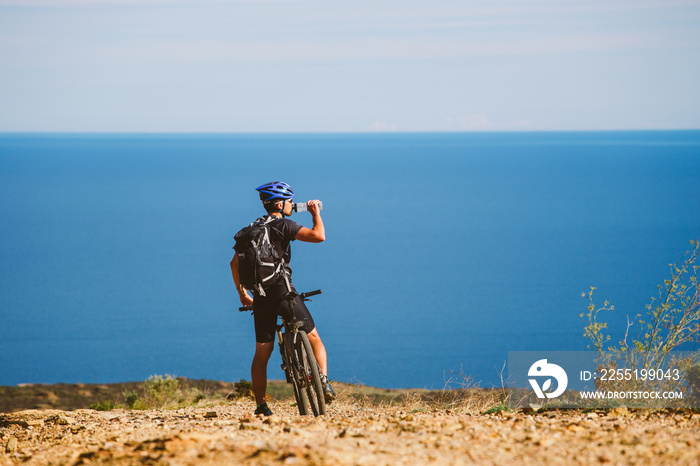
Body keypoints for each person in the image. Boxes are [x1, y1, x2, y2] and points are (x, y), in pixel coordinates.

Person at [230, 181, 335, 416]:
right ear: (280, 203)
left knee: (261, 353)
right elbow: (319, 236)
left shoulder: (250, 230)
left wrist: (243, 294)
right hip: (282, 292)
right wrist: (315, 213)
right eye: (289, 201)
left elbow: (234, 264)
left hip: (260, 296)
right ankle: (324, 381)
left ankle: (261, 406)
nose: (291, 205)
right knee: (314, 336)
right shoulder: (283, 225)